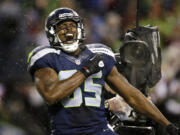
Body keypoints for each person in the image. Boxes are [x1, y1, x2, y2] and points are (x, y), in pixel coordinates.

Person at [27, 7, 179, 135]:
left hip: (100, 130)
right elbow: (51, 95)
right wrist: (86, 70)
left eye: (72, 26)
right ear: (52, 33)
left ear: (80, 29)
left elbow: (132, 95)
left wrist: (166, 124)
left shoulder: (99, 54)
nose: (68, 31)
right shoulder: (46, 57)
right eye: (62, 27)